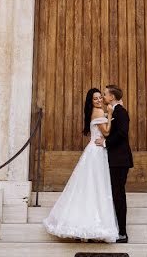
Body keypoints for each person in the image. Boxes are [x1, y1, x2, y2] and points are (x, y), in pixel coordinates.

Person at [42, 88, 120, 243]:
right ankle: (91, 226)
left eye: (99, 98)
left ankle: (86, 224)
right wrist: (110, 114)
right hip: (96, 153)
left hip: (94, 151)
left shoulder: (96, 112)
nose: (98, 100)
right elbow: (106, 133)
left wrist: (108, 113)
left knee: (89, 187)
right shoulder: (98, 113)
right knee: (95, 186)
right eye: (95, 99)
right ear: (90, 102)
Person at [96, 84, 133, 243]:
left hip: (119, 160)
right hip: (115, 160)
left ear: (112, 97)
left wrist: (105, 142)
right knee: (115, 194)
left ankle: (123, 233)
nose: (103, 97)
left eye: (105, 95)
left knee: (118, 195)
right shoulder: (115, 111)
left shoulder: (121, 112)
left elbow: (122, 134)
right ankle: (116, 228)